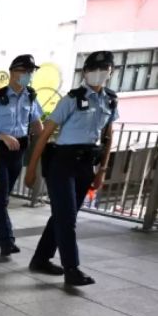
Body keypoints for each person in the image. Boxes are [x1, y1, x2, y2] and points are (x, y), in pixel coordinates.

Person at [24, 51, 118, 286]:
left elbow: (108, 135)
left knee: (63, 215)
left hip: (86, 164)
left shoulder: (110, 100)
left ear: (110, 72)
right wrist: (31, 168)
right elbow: (46, 133)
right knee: (66, 219)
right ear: (85, 72)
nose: (98, 73)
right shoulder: (72, 99)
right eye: (93, 69)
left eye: (104, 68)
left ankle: (41, 259)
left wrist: (102, 170)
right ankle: (72, 268)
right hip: (62, 164)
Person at [0, 55, 45, 256]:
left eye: (31, 72)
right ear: (13, 72)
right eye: (24, 71)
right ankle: (7, 240)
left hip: (19, 149)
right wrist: (2, 135)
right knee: (1, 196)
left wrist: (45, 139)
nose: (28, 76)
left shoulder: (30, 97)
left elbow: (36, 123)